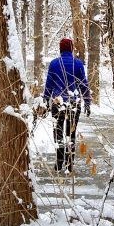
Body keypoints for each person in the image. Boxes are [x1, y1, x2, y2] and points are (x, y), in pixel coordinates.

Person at [43, 37, 91, 173]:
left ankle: (59, 163)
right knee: (71, 132)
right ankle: (69, 164)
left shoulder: (54, 64)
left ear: (60, 49)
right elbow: (83, 85)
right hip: (74, 104)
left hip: (57, 103)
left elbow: (49, 84)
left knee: (58, 131)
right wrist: (87, 102)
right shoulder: (78, 64)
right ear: (71, 48)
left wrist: (46, 100)